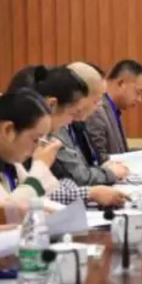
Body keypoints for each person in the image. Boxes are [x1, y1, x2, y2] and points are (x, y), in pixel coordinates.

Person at [51, 63, 129, 207]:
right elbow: (80, 178)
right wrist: (108, 173)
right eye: (96, 100)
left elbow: (80, 172)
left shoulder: (74, 124)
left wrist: (104, 168)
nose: (99, 106)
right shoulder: (55, 128)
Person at [0, 89, 62, 209]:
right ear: (8, 130)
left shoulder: (9, 159)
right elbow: (3, 213)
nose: (37, 149)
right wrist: (41, 167)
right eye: (35, 140)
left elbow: (42, 198)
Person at [86, 59, 142, 162]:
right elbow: (100, 160)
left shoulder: (113, 109)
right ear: (121, 83)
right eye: (138, 92)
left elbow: (119, 153)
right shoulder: (96, 111)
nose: (139, 99)